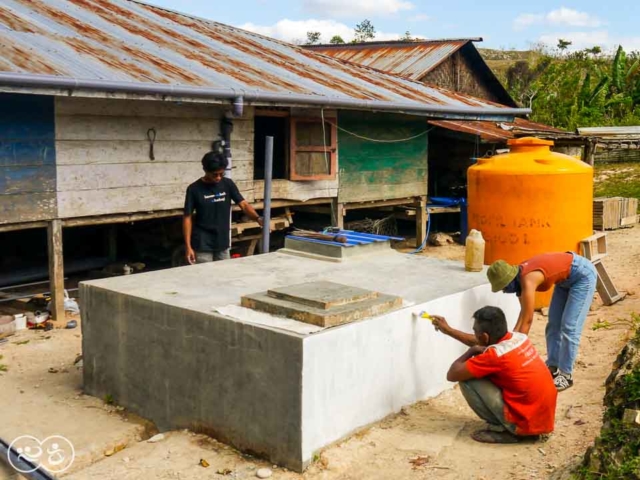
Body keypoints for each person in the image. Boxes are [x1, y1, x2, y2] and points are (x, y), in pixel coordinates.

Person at [431, 307, 557, 444]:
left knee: (467, 380)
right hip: (544, 418)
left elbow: (453, 374)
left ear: (485, 336)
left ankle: (510, 430)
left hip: (525, 423)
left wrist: (471, 352)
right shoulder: (519, 338)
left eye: (475, 331)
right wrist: (449, 330)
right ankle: (520, 427)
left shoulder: (495, 356)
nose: (474, 334)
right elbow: (481, 342)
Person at [486, 252, 597, 391]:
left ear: (509, 281)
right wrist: (510, 341)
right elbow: (522, 314)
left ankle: (566, 375)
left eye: (503, 287)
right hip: (564, 281)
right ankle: (553, 367)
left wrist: (515, 351)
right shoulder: (519, 280)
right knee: (553, 325)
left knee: (570, 327)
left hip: (582, 275)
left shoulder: (527, 279)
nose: (503, 291)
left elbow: (528, 320)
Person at [183, 151, 263, 264]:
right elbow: (187, 218)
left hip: (222, 241)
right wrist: (188, 247)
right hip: (202, 242)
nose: (218, 178)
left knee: (224, 275)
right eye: (215, 174)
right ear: (205, 170)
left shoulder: (228, 184)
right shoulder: (194, 189)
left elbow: (244, 205)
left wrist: (258, 218)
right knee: (206, 276)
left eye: (221, 174)